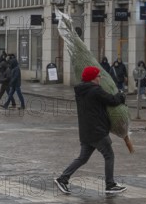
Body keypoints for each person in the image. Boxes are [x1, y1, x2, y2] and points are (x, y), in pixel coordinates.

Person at [54, 66, 127, 194]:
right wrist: (121, 96)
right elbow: (112, 100)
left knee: (83, 158)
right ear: (93, 78)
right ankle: (110, 185)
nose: (100, 78)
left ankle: (63, 178)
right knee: (109, 155)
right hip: (97, 131)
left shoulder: (81, 91)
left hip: (86, 131)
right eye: (98, 76)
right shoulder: (95, 91)